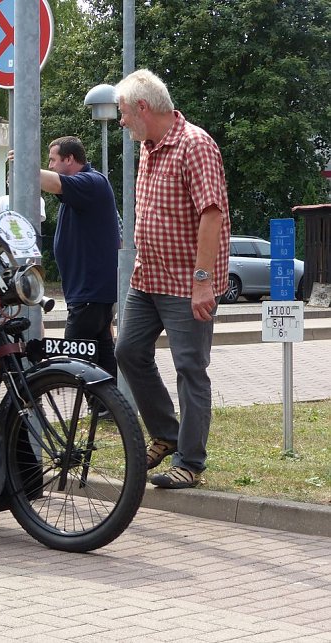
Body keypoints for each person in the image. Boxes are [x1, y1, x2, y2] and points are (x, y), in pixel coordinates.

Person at [113, 69, 230, 489]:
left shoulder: (194, 145)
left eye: (124, 112)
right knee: (128, 351)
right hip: (147, 279)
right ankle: (166, 432)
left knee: (190, 368)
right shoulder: (149, 145)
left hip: (186, 282)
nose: (121, 120)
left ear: (143, 108)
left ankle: (191, 461)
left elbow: (211, 212)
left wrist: (203, 280)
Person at [33, 136, 120, 376]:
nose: (49, 165)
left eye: (52, 160)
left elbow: (53, 183)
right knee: (101, 353)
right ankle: (107, 407)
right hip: (89, 292)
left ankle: (100, 404)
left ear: (69, 159)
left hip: (89, 292)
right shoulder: (81, 191)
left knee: (75, 358)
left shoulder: (91, 182)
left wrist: (24, 164)